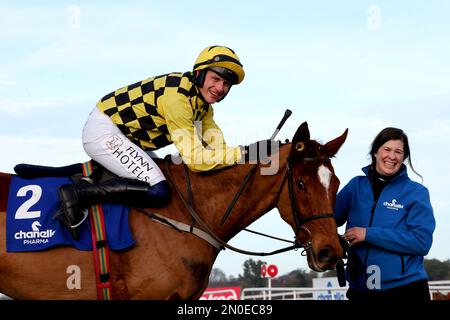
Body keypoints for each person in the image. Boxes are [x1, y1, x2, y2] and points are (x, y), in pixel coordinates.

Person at [58, 45, 278, 232]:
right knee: (159, 190)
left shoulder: (203, 109)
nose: (220, 88)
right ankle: (77, 194)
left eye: (226, 84)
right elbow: (197, 160)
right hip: (104, 132)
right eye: (216, 78)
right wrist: (247, 152)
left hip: (127, 138)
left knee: (168, 180)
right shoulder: (178, 99)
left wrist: (255, 154)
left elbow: (217, 150)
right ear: (200, 74)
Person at [334, 127, 435, 301]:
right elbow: (325, 219)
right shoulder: (355, 187)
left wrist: (368, 234)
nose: (392, 156)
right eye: (387, 149)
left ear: (404, 157)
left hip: (406, 290)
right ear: (375, 152)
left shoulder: (416, 192)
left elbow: (421, 242)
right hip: (360, 291)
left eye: (398, 151)